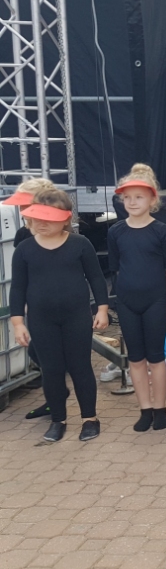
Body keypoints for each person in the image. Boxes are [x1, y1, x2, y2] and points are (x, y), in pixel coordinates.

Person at [11, 189, 109, 442]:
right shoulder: (24, 249)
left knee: (80, 367)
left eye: (49, 218)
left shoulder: (80, 244)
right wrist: (18, 322)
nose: (42, 223)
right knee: (51, 370)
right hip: (41, 320)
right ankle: (58, 419)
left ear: (65, 218)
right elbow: (18, 288)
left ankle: (90, 419)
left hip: (76, 316)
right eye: (37, 217)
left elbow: (96, 278)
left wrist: (102, 309)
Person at [108, 164, 166, 432]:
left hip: (155, 301)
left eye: (138, 197)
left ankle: (160, 409)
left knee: (156, 357)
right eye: (127, 198)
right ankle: (145, 409)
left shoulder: (162, 231)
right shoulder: (116, 232)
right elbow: (116, 268)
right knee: (135, 358)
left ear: (152, 200)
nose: (132, 202)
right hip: (127, 302)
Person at [3, 177, 59, 421]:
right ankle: (54, 398)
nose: (22, 209)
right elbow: (21, 274)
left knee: (51, 354)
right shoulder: (22, 235)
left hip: (60, 303)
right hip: (35, 303)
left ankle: (58, 401)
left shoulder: (59, 232)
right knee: (37, 352)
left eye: (26, 204)